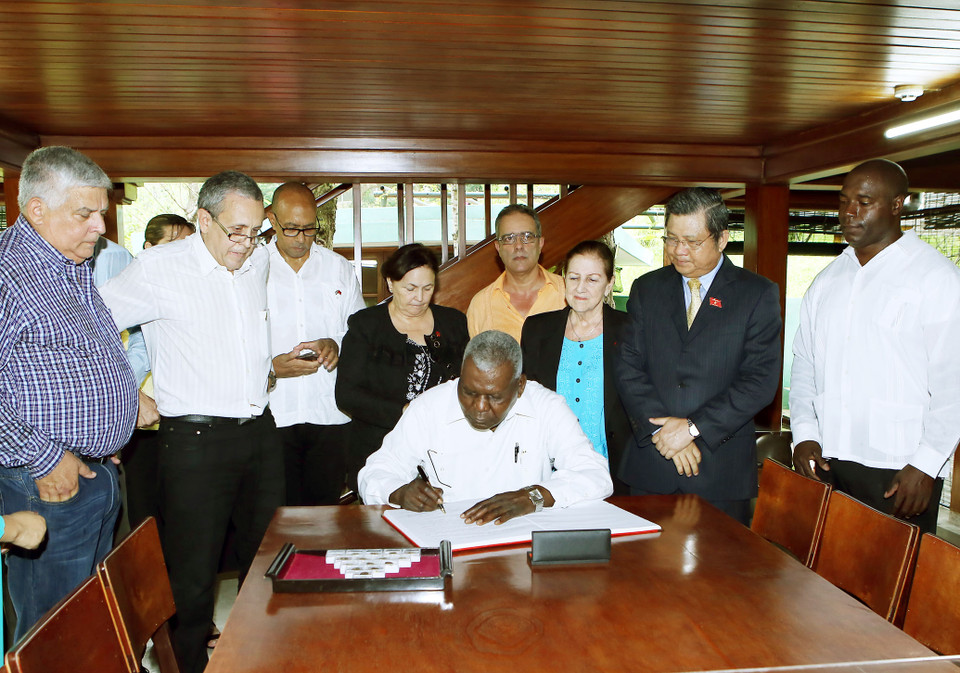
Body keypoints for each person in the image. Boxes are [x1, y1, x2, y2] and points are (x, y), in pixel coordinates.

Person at [100, 171, 282, 673]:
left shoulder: (258, 259)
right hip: (195, 443)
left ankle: (257, 661)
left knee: (265, 563)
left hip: (260, 434)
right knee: (192, 580)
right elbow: (91, 327)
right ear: (203, 220)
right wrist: (125, 396)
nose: (247, 244)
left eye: (255, 230)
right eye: (235, 231)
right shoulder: (159, 268)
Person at [0, 146, 140, 641]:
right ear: (36, 209)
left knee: (91, 625)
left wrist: (118, 411)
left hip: (97, 471)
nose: (100, 227)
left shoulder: (72, 263)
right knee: (52, 637)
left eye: (100, 212)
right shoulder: (7, 274)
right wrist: (43, 456)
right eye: (85, 214)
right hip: (44, 484)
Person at [791, 159, 960, 535]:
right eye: (844, 200)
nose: (849, 212)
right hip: (831, 461)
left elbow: (954, 381)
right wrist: (804, 434)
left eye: (864, 202)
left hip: (900, 469)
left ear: (897, 205)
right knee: (824, 587)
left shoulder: (935, 277)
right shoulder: (827, 280)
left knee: (893, 588)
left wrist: (928, 463)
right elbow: (805, 362)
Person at [616, 187, 781, 526]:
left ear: (722, 238)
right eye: (672, 239)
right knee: (642, 574)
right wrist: (666, 435)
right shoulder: (647, 289)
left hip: (720, 471)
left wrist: (692, 429)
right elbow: (628, 366)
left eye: (692, 242)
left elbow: (759, 382)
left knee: (720, 575)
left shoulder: (757, 293)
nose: (679, 251)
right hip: (652, 464)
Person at [359, 330, 613, 524]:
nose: (479, 407)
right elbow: (375, 472)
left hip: (523, 545)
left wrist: (533, 496)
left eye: (494, 397)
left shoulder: (547, 407)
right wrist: (399, 493)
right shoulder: (428, 407)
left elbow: (595, 474)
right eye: (468, 392)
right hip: (448, 539)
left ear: (520, 386)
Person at [337, 243, 469, 489]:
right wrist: (406, 410)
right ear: (390, 283)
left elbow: (466, 380)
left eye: (427, 288)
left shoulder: (453, 323)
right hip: (381, 446)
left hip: (443, 448)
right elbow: (347, 395)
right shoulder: (367, 326)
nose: (419, 298)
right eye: (410, 288)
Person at [267, 182, 364, 505]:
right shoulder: (251, 267)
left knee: (325, 517)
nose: (301, 238)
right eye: (291, 228)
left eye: (309, 229)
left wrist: (335, 343)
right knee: (275, 518)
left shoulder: (337, 268)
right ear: (271, 219)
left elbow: (359, 332)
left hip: (330, 413)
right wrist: (270, 367)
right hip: (273, 413)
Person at [521, 240, 631, 494]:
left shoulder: (631, 331)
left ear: (609, 284)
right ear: (563, 280)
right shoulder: (538, 329)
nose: (581, 288)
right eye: (573, 278)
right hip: (551, 473)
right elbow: (527, 400)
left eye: (592, 280)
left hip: (615, 471)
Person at [466, 204, 565, 341]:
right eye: (509, 238)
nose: (518, 246)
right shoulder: (481, 305)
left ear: (540, 243)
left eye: (527, 236)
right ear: (498, 247)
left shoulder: (568, 293)